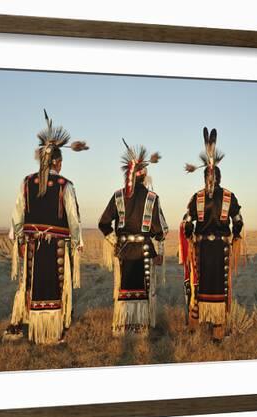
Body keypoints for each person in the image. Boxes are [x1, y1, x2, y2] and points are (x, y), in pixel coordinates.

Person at [5, 110, 89, 344]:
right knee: (55, 286)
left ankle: (27, 324)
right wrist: (78, 240)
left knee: (30, 282)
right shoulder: (65, 185)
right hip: (57, 247)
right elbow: (73, 217)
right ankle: (52, 331)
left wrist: (17, 237)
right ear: (58, 162)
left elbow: (17, 213)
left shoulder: (27, 182)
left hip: (32, 245)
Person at [179, 127, 245, 342]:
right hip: (222, 249)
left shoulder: (197, 198)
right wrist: (234, 237)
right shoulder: (229, 197)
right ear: (218, 176)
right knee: (220, 286)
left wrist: (190, 236)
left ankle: (198, 324)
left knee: (200, 285)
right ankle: (218, 329)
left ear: (206, 177)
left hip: (202, 249)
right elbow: (238, 221)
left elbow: (188, 224)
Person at [99, 139, 168, 336]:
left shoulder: (118, 196)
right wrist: (159, 251)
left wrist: (115, 242)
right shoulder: (152, 198)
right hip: (144, 252)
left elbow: (103, 223)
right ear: (144, 176)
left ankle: (123, 326)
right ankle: (141, 327)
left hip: (123, 251)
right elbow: (161, 231)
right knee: (144, 290)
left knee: (123, 287)